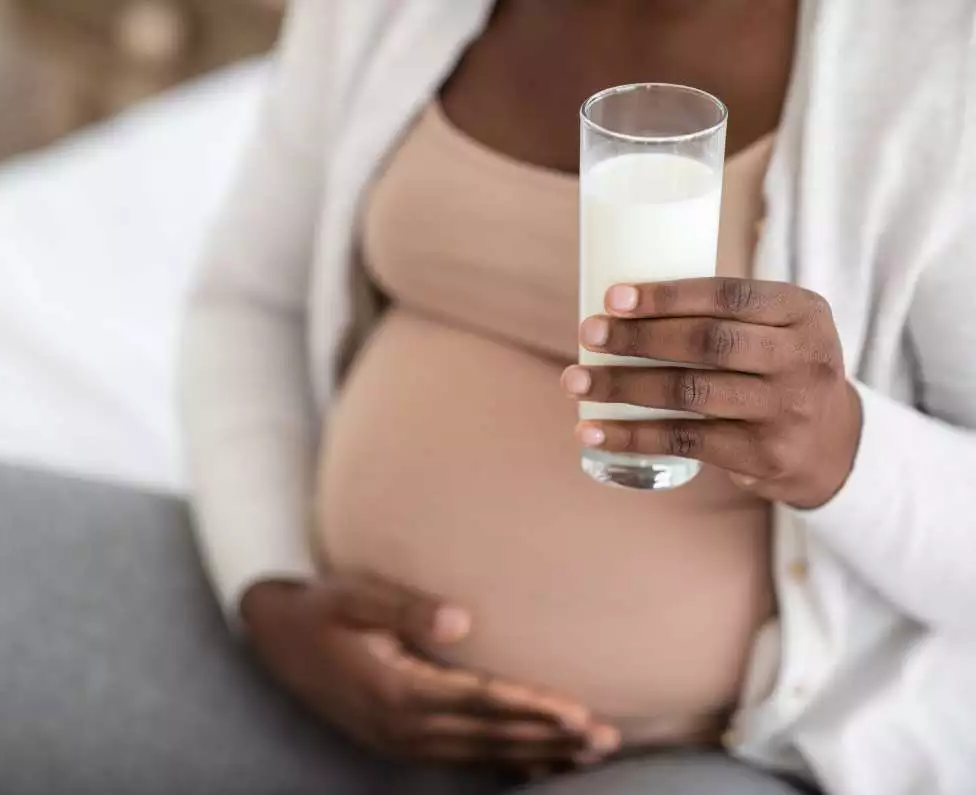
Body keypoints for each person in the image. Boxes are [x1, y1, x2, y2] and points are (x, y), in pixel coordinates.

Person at [183, 1, 976, 794]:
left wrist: (845, 447)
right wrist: (268, 587)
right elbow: (250, 303)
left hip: (697, 757)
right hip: (320, 672)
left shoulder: (940, 64)